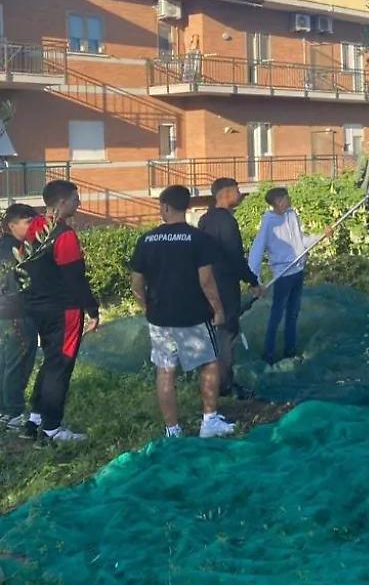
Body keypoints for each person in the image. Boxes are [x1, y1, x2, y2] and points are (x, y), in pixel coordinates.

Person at [129, 185, 234, 438]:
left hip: (160, 318)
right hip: (194, 315)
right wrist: (218, 310)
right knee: (209, 364)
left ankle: (172, 429)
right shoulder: (198, 239)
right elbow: (206, 281)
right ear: (186, 207)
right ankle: (209, 421)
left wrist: (147, 307)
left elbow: (136, 284)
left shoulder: (146, 240)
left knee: (165, 371)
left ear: (165, 207)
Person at [21, 180, 100, 442]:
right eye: (76, 199)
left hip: (37, 307)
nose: (79, 203)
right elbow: (74, 277)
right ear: (62, 202)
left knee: (50, 361)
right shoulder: (64, 235)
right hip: (64, 309)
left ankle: (35, 418)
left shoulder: (34, 228)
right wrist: (92, 309)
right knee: (60, 366)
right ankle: (52, 428)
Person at [198, 177, 261, 397]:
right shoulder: (227, 221)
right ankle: (223, 385)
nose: (240, 194)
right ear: (224, 194)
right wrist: (252, 281)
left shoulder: (204, 220)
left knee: (213, 334)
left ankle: (211, 381)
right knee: (227, 333)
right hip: (225, 286)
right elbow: (235, 256)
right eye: (237, 190)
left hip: (207, 286)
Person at [248, 187, 326, 364]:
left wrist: (320, 236)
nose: (289, 199)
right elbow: (257, 251)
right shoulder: (269, 222)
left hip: (298, 269)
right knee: (277, 314)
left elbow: (300, 241)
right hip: (283, 275)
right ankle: (268, 354)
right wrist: (256, 280)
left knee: (293, 313)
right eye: (285, 197)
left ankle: (290, 351)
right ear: (278, 201)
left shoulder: (292, 215)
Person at [0, 204, 40, 432]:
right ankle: (14, 412)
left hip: (5, 314)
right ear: (11, 225)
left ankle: (5, 410)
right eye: (27, 221)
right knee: (17, 363)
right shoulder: (17, 251)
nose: (32, 225)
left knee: (5, 361)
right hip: (16, 313)